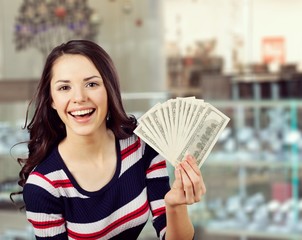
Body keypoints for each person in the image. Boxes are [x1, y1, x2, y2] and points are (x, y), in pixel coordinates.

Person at [13, 40, 206, 240]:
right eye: (64, 88)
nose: (79, 97)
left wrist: (175, 205)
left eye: (92, 84)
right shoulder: (43, 186)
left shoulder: (142, 146)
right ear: (52, 99)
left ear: (109, 89)